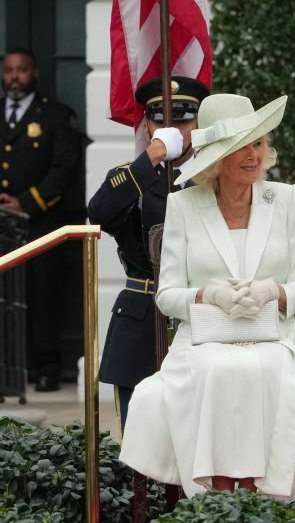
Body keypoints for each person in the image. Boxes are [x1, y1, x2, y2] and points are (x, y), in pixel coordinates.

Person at [119, 93, 295, 498]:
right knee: (217, 372)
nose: (254, 155)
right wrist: (207, 294)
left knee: (270, 374)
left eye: (258, 143)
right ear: (217, 157)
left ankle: (264, 496)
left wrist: (271, 292)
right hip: (202, 341)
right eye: (241, 146)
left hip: (275, 339)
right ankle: (219, 496)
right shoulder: (183, 205)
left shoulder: (285, 198)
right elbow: (167, 295)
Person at [88, 77, 209, 427]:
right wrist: (152, 157)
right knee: (140, 438)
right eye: (161, 121)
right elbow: (99, 213)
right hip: (143, 317)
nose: (173, 130)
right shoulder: (132, 178)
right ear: (148, 125)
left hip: (197, 316)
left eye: (184, 120)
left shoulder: (212, 179)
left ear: (199, 124)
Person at [0, 48, 87, 391]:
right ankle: (8, 371)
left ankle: (47, 367)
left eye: (21, 70)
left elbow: (65, 168)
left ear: (34, 72)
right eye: (9, 71)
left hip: (40, 223)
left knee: (42, 297)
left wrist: (24, 202)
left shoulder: (54, 115)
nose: (15, 77)